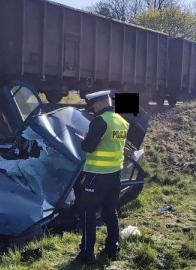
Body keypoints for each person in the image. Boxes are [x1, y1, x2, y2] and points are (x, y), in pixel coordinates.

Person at [74, 90, 130, 264]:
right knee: (110, 210)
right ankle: (112, 249)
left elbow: (88, 147)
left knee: (87, 214)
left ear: (98, 104)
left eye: (92, 106)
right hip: (115, 174)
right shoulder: (122, 121)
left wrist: (84, 139)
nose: (92, 109)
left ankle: (86, 254)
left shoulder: (100, 121)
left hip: (96, 175)